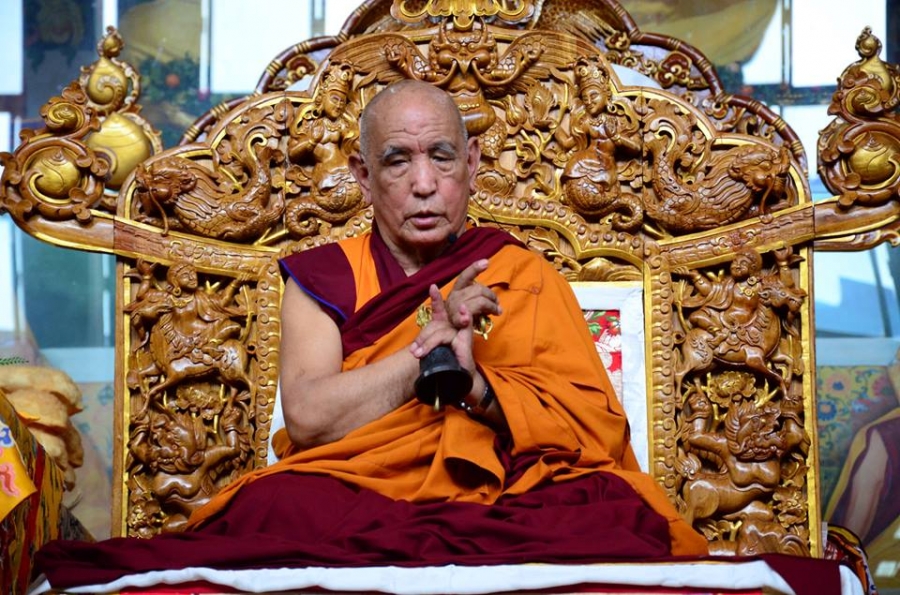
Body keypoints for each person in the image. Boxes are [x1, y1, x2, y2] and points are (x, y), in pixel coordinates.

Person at [33, 79, 707, 591]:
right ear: (363, 175)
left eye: (441, 157)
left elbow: (592, 425)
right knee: (277, 504)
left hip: (503, 486)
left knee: (606, 507)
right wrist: (427, 352)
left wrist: (477, 386)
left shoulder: (521, 273)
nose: (424, 184)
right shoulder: (323, 278)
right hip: (359, 492)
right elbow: (310, 418)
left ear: (472, 164)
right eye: (397, 161)